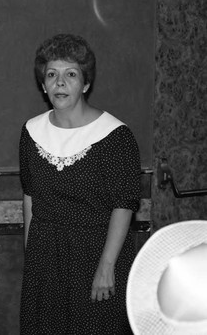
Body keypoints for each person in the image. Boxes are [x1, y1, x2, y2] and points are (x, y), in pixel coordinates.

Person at [19, 34, 141, 334]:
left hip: (96, 255)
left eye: (70, 74)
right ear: (43, 85)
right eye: (52, 75)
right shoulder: (31, 131)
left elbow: (123, 206)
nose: (60, 83)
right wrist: (31, 255)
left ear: (85, 84)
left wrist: (107, 266)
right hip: (45, 255)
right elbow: (29, 198)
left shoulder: (115, 136)